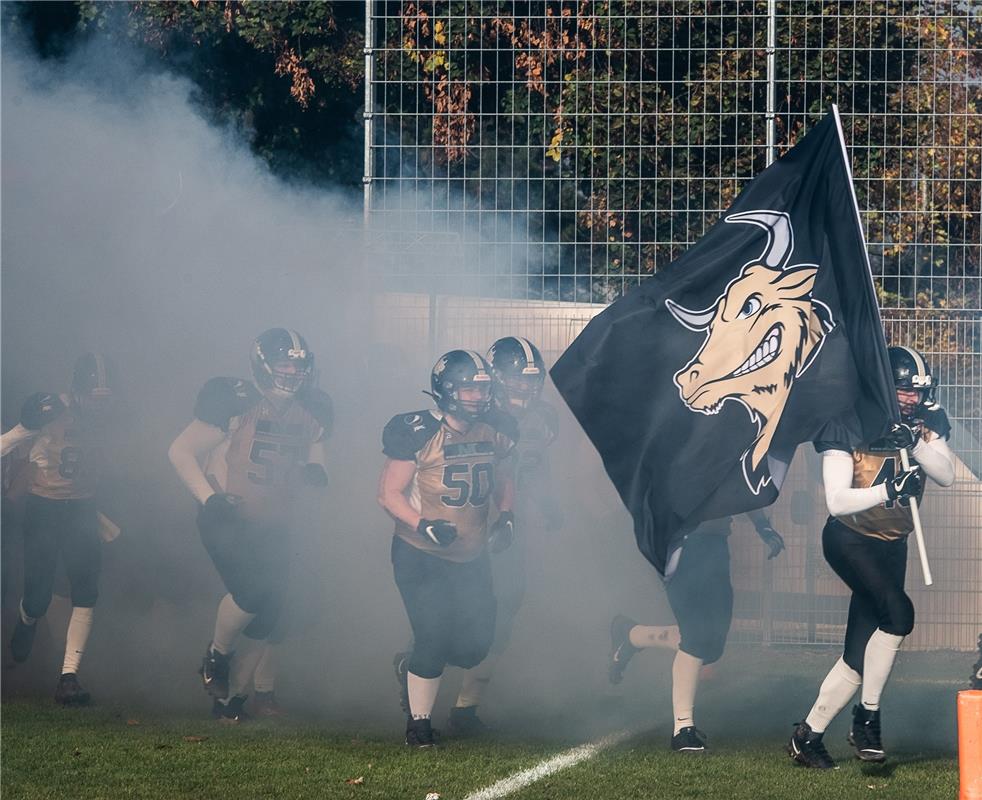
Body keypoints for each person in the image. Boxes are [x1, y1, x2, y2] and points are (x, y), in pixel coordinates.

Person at [788, 345, 955, 769]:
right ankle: (867, 719)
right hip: (851, 539)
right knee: (898, 616)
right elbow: (837, 501)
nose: (911, 400)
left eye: (917, 392)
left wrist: (915, 443)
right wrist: (890, 491)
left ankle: (808, 737)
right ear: (881, 385)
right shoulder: (848, 419)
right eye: (902, 391)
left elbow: (947, 476)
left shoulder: (923, 421)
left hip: (892, 541)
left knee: (859, 655)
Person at [168, 328, 332, 722]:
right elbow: (180, 451)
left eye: (298, 364)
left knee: (272, 612)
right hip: (229, 516)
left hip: (276, 521)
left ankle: (230, 702)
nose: (292, 372)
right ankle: (217, 655)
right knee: (253, 593)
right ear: (262, 364)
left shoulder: (311, 407)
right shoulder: (235, 402)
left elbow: (315, 446)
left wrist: (316, 470)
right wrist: (208, 499)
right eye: (284, 363)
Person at [379, 350, 517, 748]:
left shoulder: (497, 428)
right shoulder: (419, 431)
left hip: (472, 555)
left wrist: (506, 515)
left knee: (475, 646)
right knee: (433, 635)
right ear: (446, 390)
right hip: (420, 553)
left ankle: (411, 665)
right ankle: (419, 726)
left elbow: (505, 475)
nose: (478, 396)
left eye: (484, 388)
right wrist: (422, 524)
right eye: (469, 388)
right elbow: (387, 493)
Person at [447, 336, 560, 734]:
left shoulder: (542, 421)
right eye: (517, 378)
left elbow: (536, 465)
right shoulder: (473, 414)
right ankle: (415, 663)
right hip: (466, 525)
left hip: (508, 532)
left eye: (532, 379)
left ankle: (466, 706)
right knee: (459, 610)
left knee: (505, 611)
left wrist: (547, 505)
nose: (526, 387)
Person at [608, 510, 786, 752]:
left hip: (715, 545)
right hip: (679, 545)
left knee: (711, 644)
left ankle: (630, 635)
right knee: (696, 637)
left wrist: (763, 526)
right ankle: (682, 728)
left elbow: (742, 486)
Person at [1, 353, 118, 704]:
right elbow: (5, 443)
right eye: (93, 395)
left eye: (105, 396)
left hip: (81, 508)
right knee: (37, 596)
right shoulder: (50, 412)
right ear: (77, 389)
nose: (99, 404)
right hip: (44, 507)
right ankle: (27, 620)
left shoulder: (111, 416)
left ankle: (68, 677)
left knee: (86, 590)